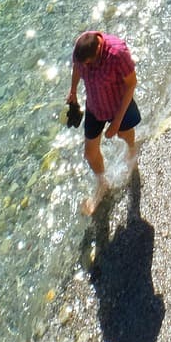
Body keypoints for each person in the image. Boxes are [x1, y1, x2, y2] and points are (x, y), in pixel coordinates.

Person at [67, 29, 140, 215]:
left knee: (124, 133)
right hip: (94, 106)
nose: (86, 66)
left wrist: (116, 122)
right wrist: (73, 90)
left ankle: (132, 149)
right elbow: (77, 67)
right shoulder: (80, 48)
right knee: (90, 154)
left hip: (117, 105)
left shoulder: (118, 53)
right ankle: (102, 183)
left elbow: (132, 83)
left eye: (89, 62)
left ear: (98, 48)